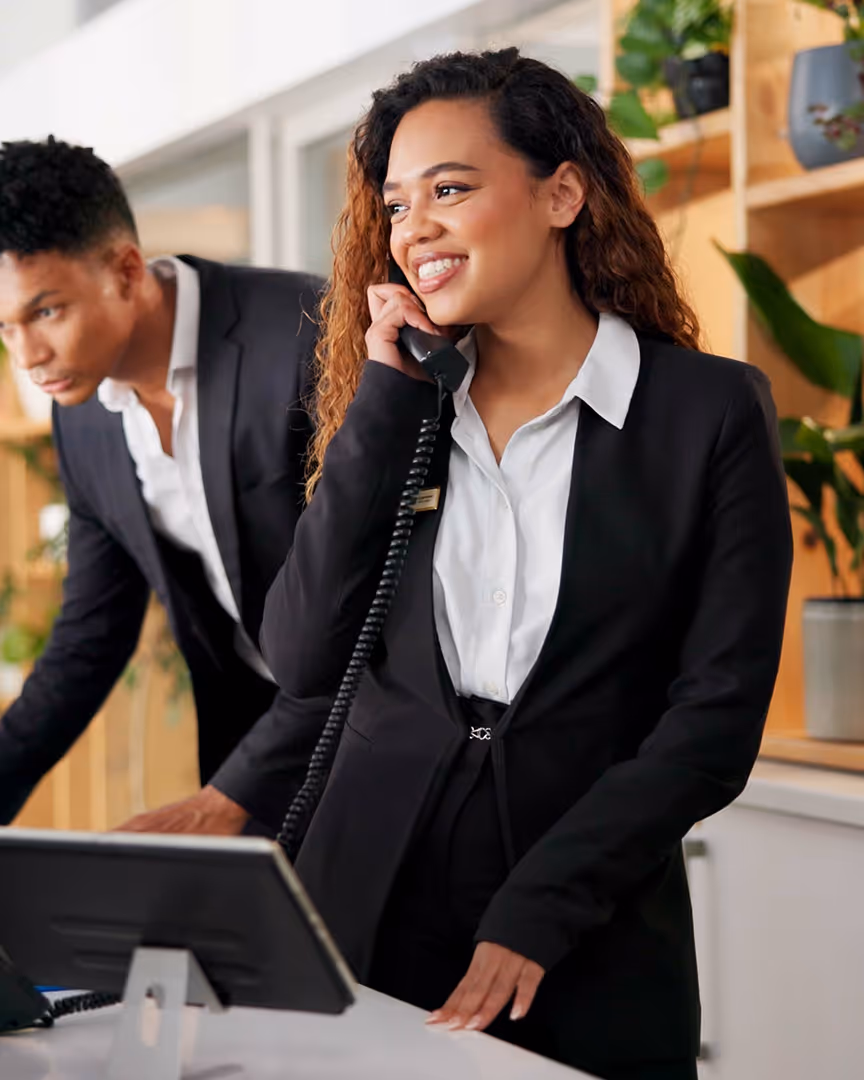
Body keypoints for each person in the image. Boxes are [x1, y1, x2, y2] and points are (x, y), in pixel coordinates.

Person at [258, 49, 794, 1079]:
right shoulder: (402, 413)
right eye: (400, 203)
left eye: (451, 190)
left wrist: (546, 903)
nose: (415, 227)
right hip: (362, 905)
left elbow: (716, 716)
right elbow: (301, 653)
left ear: (562, 192)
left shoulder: (707, 412)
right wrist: (385, 398)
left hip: (581, 917)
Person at [0, 138, 325, 835]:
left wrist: (228, 798)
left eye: (46, 311)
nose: (26, 357)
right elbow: (89, 638)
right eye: (4, 328)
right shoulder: (81, 416)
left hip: (391, 742)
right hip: (254, 752)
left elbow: (374, 612)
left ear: (124, 270)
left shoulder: (306, 338)